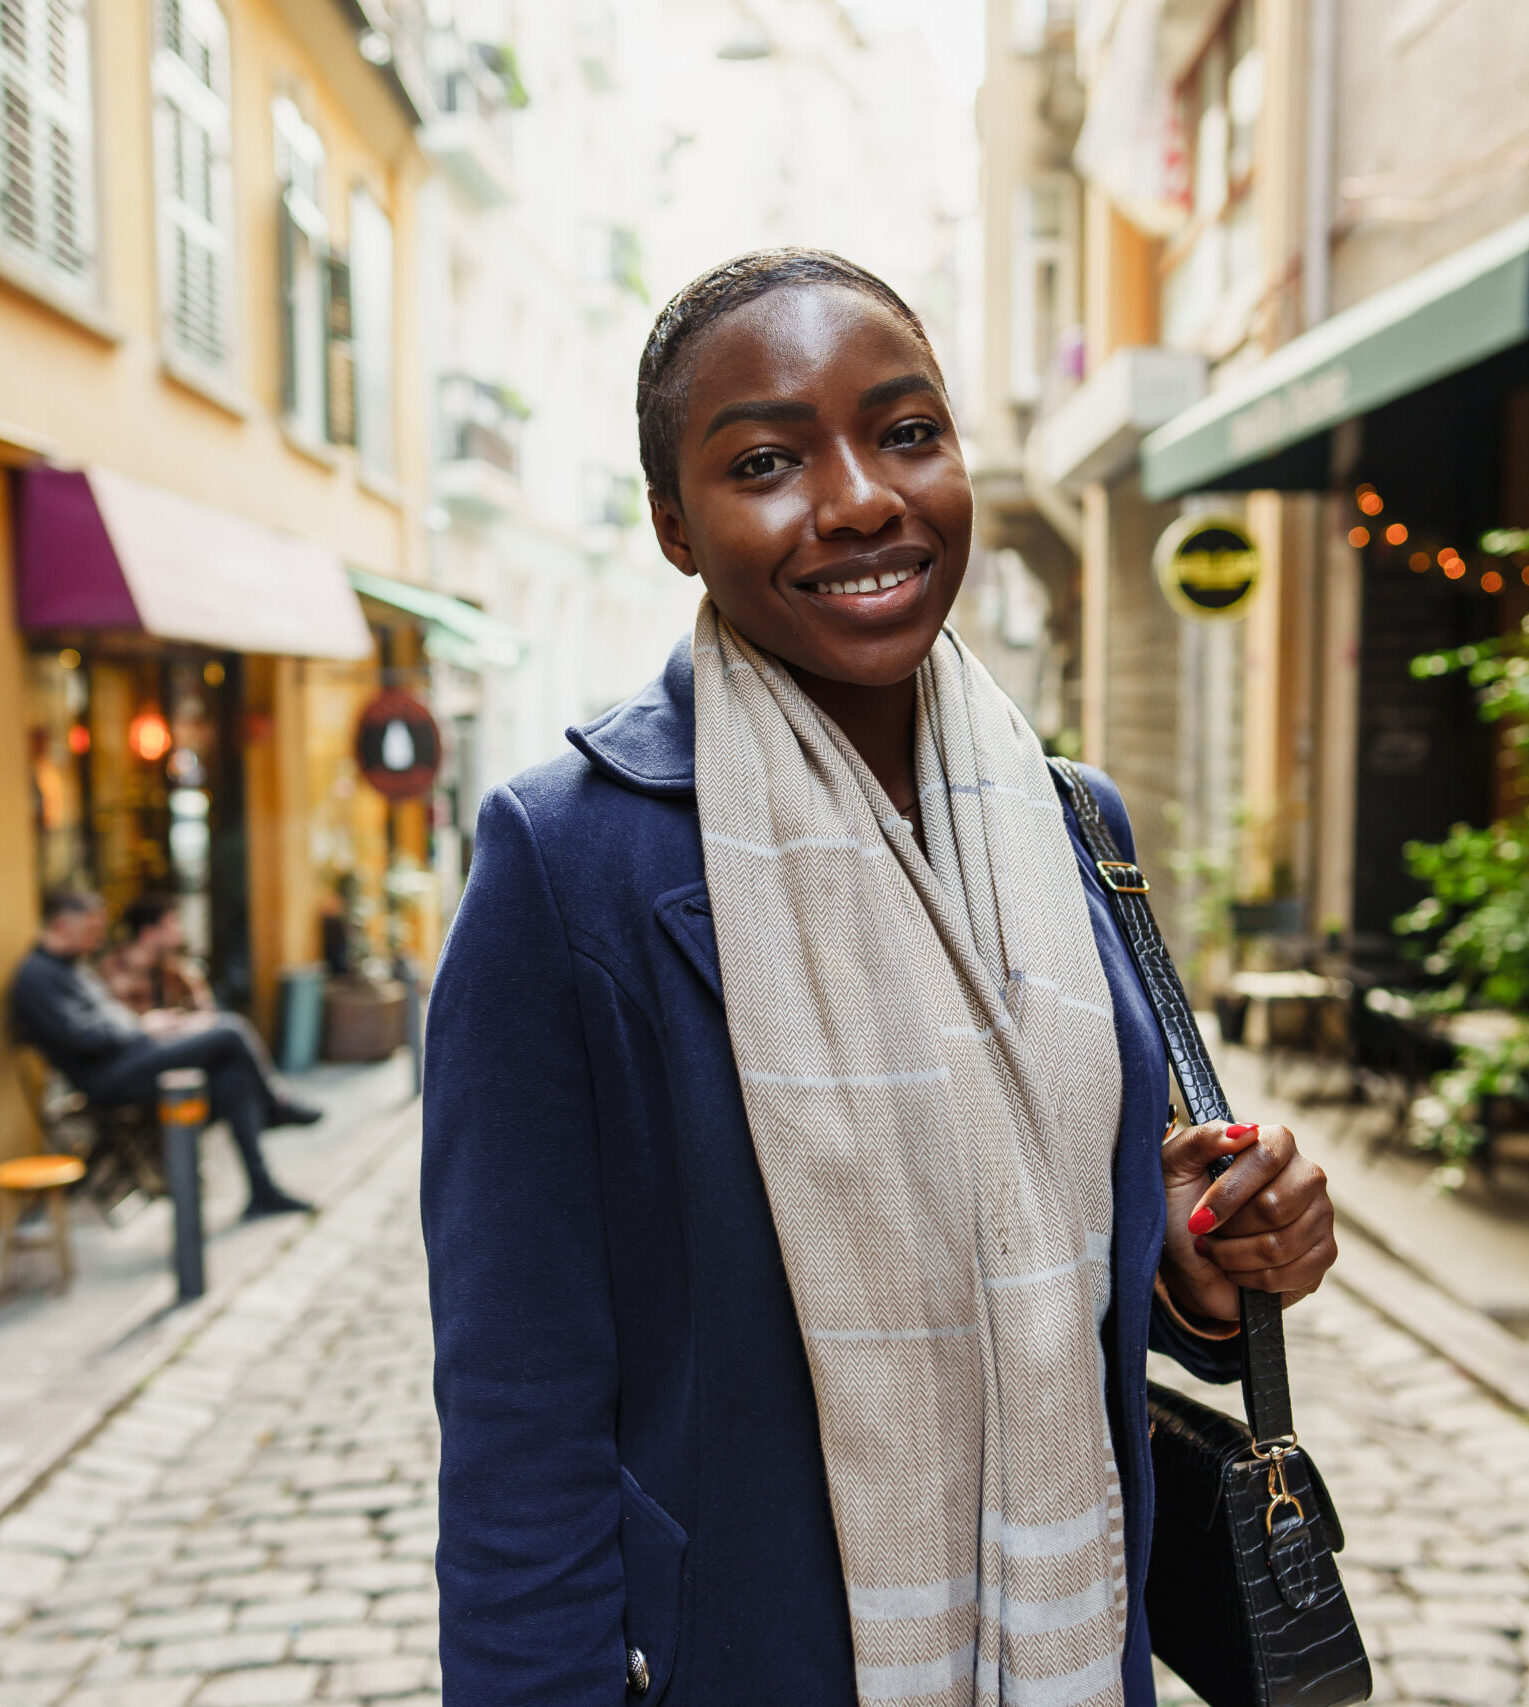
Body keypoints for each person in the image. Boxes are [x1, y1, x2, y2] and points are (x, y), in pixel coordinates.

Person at [422, 249, 1339, 1707]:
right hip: (754, 1651)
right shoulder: (569, 858)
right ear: (674, 523)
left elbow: (1084, 1260)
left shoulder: (1071, 820)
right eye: (770, 458)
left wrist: (1200, 1256)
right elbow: (517, 1408)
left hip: (1071, 1642)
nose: (860, 496)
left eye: (908, 432)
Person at [12, 890, 319, 1218]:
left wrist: (153, 1026)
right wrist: (143, 1026)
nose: (96, 940)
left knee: (233, 1079)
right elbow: (82, 1036)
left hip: (132, 1056)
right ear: (60, 926)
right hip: (109, 1079)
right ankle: (275, 1106)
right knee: (229, 1031)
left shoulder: (71, 967)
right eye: (90, 931)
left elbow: (111, 1020)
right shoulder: (37, 977)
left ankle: (263, 1190)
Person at [99, 892, 216, 1016]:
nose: (179, 933)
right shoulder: (114, 972)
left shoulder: (174, 968)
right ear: (148, 934)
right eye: (172, 924)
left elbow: (206, 1010)